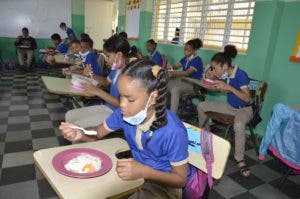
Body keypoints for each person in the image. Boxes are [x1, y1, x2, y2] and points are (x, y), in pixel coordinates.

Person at [59, 59, 189, 198]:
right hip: (136, 169)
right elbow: (97, 133)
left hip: (163, 183)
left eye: (130, 99)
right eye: (121, 97)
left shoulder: (173, 131)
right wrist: (81, 133)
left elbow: (180, 180)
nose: (122, 105)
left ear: (153, 98)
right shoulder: (124, 113)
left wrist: (144, 172)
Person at [197, 45, 252, 177]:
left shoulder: (241, 74)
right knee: (202, 106)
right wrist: (214, 78)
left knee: (238, 125)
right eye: (212, 68)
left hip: (243, 110)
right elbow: (221, 82)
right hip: (230, 107)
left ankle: (240, 159)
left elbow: (247, 98)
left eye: (215, 68)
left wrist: (229, 88)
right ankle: (205, 144)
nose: (213, 71)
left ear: (225, 66)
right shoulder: (226, 74)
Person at [64, 35, 131, 128]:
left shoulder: (129, 75)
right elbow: (105, 82)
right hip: (108, 107)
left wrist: (97, 91)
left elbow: (123, 105)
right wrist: (91, 74)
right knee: (69, 115)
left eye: (108, 56)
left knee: (74, 126)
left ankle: (85, 140)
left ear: (119, 55)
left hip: (118, 114)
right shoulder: (116, 69)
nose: (106, 60)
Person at [167, 38, 203, 113]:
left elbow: (187, 73)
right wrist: (170, 66)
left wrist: (174, 73)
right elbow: (175, 66)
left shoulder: (197, 60)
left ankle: (172, 115)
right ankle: (165, 108)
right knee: (166, 83)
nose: (185, 52)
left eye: (188, 50)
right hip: (185, 81)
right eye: (185, 49)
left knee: (175, 89)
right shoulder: (185, 58)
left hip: (194, 85)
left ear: (194, 51)